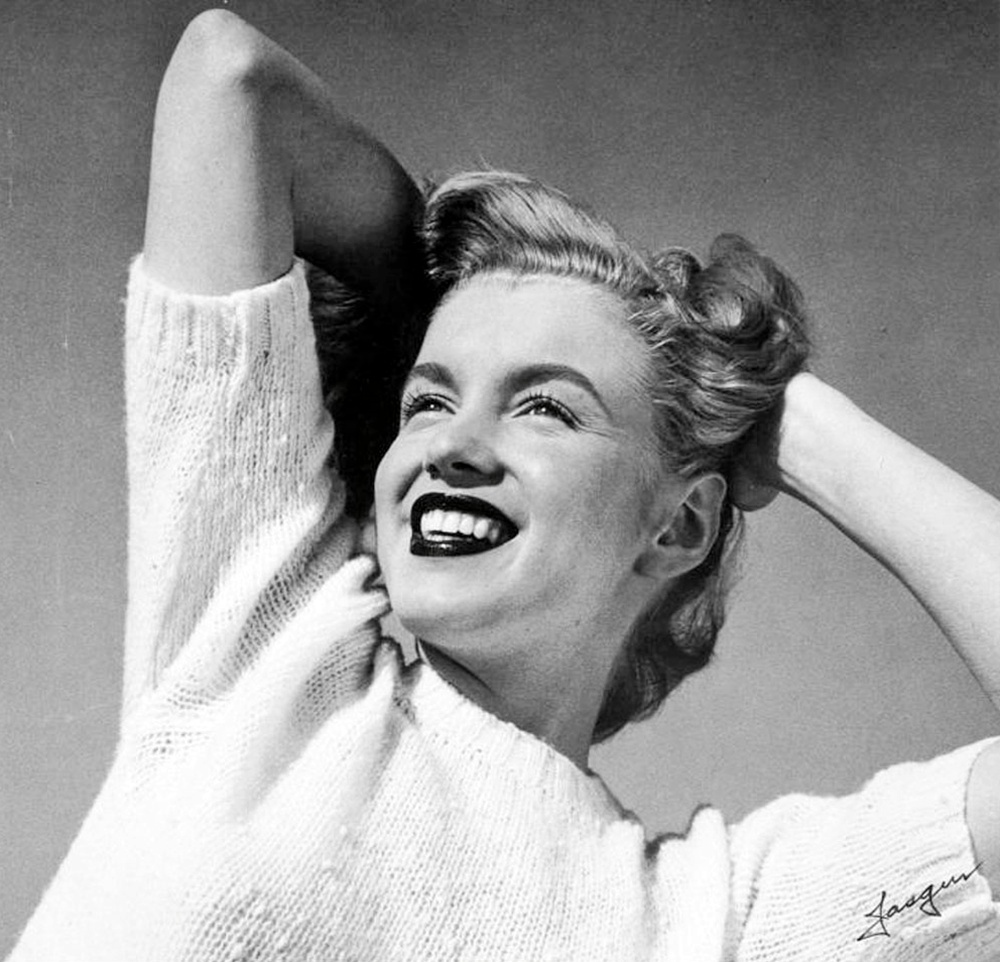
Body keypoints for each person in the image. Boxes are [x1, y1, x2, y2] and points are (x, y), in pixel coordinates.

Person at [9, 10, 1000, 960]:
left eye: (545, 409)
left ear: (678, 525)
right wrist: (427, 299)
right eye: (428, 402)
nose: (453, 445)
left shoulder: (712, 922)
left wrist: (789, 418)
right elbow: (230, 81)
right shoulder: (256, 651)